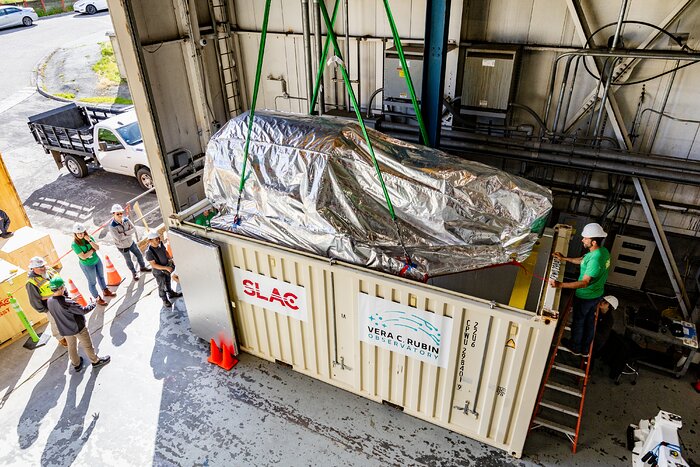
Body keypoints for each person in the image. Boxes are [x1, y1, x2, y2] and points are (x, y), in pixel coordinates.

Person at [549, 222, 611, 356]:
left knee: (579, 321)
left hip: (586, 296)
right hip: (596, 294)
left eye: (585, 238)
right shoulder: (602, 251)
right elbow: (583, 260)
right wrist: (564, 258)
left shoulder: (596, 259)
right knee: (589, 321)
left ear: (593, 241)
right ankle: (585, 349)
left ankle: (576, 347)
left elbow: (584, 283)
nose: (582, 240)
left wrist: (560, 285)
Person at [46, 276, 110, 372]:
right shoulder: (67, 302)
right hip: (77, 328)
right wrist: (93, 303)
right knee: (87, 345)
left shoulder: (49, 301)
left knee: (71, 347)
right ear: (60, 288)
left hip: (65, 329)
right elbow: (83, 310)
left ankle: (76, 364)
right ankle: (96, 361)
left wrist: (71, 300)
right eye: (63, 286)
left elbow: (62, 308)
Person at [25, 256, 66, 347]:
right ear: (33, 268)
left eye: (43, 265)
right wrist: (44, 310)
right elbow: (34, 299)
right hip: (50, 306)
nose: (42, 268)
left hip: (62, 299)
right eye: (39, 267)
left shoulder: (49, 270)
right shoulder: (31, 282)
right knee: (55, 322)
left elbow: (60, 280)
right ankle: (60, 338)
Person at [71, 223, 116, 306]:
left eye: (82, 232)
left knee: (101, 276)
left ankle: (105, 290)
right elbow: (83, 256)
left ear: (84, 232)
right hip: (87, 265)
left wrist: (90, 241)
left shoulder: (89, 238)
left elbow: (97, 248)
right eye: (78, 233)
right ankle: (97, 298)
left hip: (96, 260)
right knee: (92, 282)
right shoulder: (74, 244)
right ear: (75, 234)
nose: (80, 235)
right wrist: (92, 250)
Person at [107, 204, 151, 281]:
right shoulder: (112, 226)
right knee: (129, 260)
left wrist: (124, 233)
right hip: (122, 246)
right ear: (113, 214)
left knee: (139, 255)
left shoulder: (126, 220)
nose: (120, 215)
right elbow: (119, 237)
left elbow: (134, 229)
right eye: (118, 214)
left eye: (121, 213)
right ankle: (134, 273)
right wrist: (128, 233)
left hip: (131, 243)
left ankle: (143, 267)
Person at [145, 231, 182, 308]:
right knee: (161, 286)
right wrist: (166, 267)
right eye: (156, 239)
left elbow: (165, 252)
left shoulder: (160, 244)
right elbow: (153, 265)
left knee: (168, 282)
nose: (158, 240)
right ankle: (164, 300)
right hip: (158, 272)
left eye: (158, 238)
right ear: (150, 240)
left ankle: (171, 294)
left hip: (166, 269)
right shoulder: (149, 252)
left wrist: (170, 259)